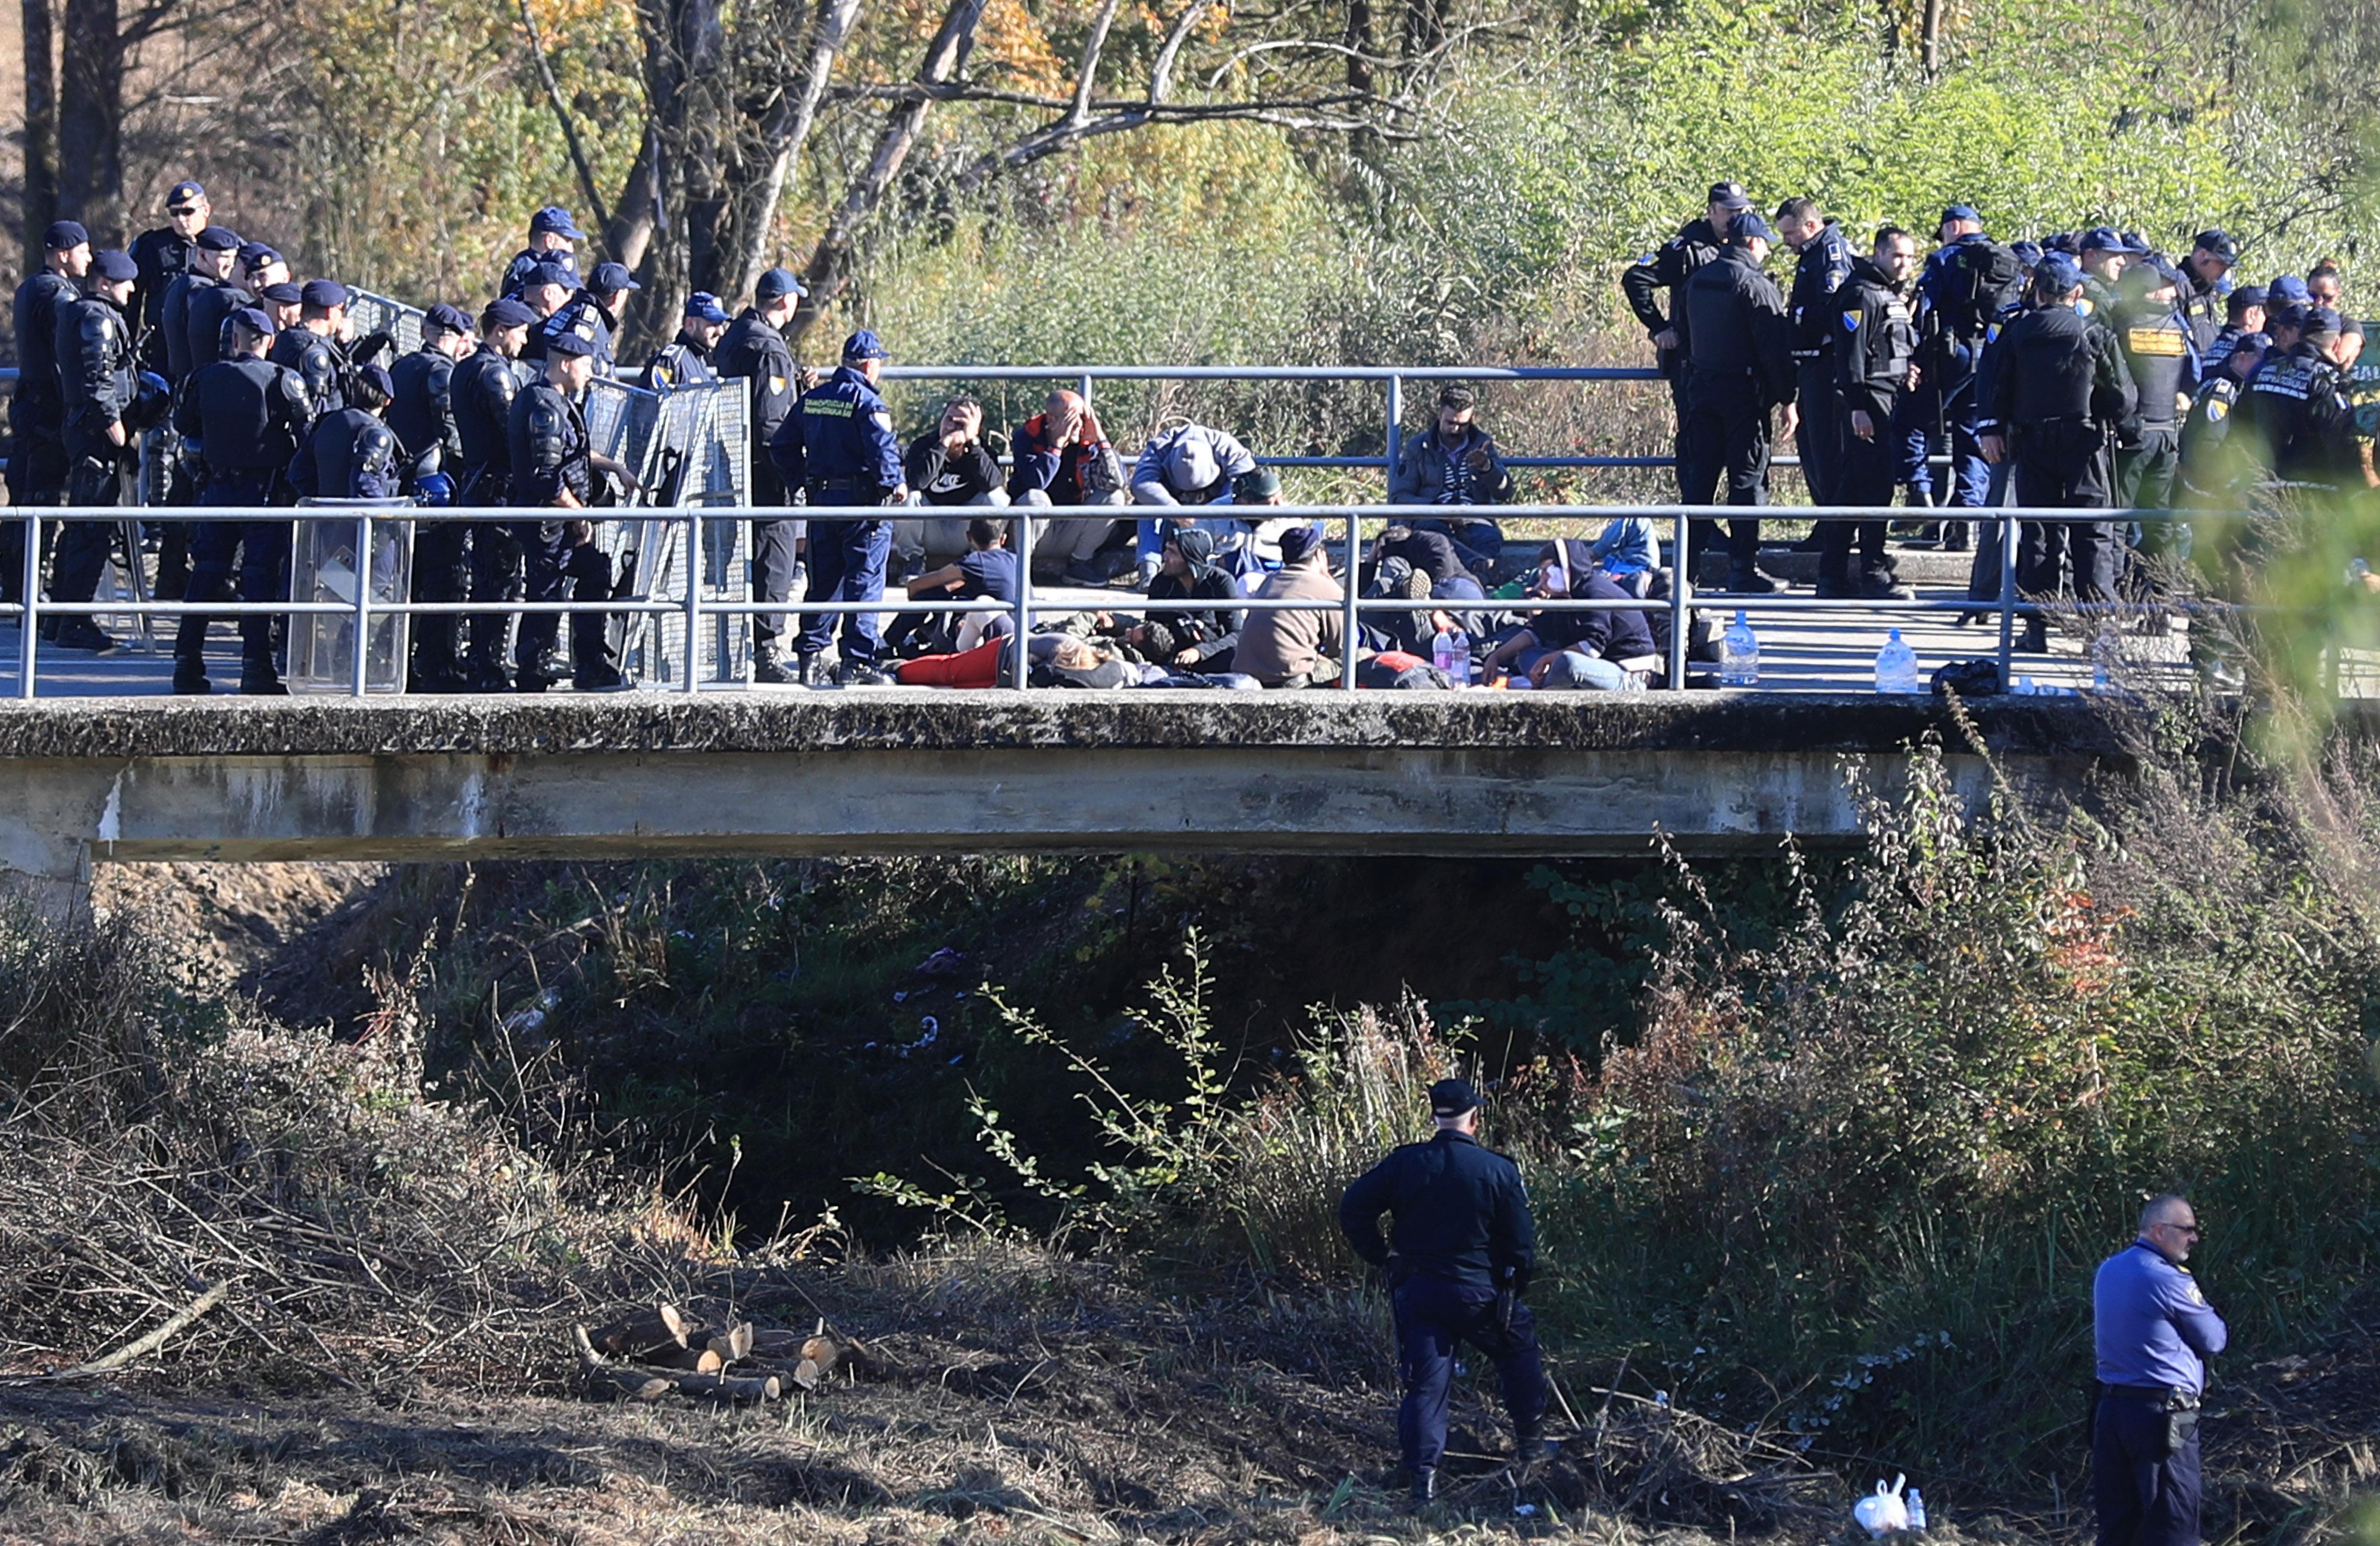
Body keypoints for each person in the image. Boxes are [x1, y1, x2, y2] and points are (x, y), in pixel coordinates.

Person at [1338, 1077, 1548, 1510]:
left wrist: (1383, 1256)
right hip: (1480, 1294)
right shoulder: (1499, 1170)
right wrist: (1514, 1287)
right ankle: (1531, 1446)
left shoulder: (1405, 1163)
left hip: (1420, 1292)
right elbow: (1522, 1244)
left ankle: (1422, 1484)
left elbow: (1353, 1207)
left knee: (1426, 1386)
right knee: (1519, 1350)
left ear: (1435, 1116)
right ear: (1476, 1117)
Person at [1978, 253, 2138, 651]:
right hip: (2084, 444)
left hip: (2032, 443)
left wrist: (1997, 427)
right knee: (2092, 535)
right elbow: (2123, 397)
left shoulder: (2017, 333)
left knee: (2038, 534)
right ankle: (2094, 629)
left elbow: (1998, 387)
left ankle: (2036, 627)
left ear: (2039, 292)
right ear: (2077, 292)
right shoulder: (2094, 332)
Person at [170, 308, 310, 695]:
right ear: (269, 342)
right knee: (258, 577)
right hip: (262, 491)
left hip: (216, 488)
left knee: (206, 572)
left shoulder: (205, 378)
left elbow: (185, 426)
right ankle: (255, 667)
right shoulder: (281, 380)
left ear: (233, 340)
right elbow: (306, 432)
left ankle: (186, 661)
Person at [771, 329, 907, 686]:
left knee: (823, 581)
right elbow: (881, 451)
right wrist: (894, 484)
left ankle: (810, 659)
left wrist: (801, 482)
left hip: (822, 503)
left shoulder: (816, 399)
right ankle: (856, 662)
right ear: (868, 365)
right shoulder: (868, 403)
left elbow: (782, 444)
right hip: (863, 506)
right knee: (865, 579)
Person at [2093, 1195, 2225, 1546]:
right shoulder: (2167, 1279)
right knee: (2173, 1525)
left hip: (2112, 1413)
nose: (2194, 1238)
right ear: (2159, 1230)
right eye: (2187, 1230)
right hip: (2160, 1418)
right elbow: (2214, 1339)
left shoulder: (2109, 1270)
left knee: (2120, 1527)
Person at [507, 317, 630, 692]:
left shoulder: (554, 402)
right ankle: (533, 673)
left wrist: (615, 467)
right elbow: (547, 475)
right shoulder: (544, 406)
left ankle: (588, 660)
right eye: (586, 364)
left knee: (594, 571)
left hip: (558, 522)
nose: (591, 373)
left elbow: (573, 453)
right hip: (549, 524)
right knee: (546, 594)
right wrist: (578, 514)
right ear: (565, 363)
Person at [1679, 211, 1798, 592]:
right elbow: (1774, 351)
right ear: (1753, 243)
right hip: (1744, 398)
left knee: (1699, 484)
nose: (1767, 251)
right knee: (1746, 483)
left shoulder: (1697, 281)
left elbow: (1684, 336)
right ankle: (1743, 569)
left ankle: (1686, 571)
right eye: (1765, 243)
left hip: (1701, 393)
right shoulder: (1755, 286)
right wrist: (1787, 398)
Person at [52, 249, 164, 655]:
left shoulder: (84, 313)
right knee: (92, 526)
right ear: (104, 283)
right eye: (125, 282)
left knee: (86, 522)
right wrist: (115, 427)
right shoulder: (96, 320)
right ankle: (74, 619)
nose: (132, 289)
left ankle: (61, 616)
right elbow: (98, 376)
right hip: (97, 433)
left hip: (89, 429)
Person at [1622, 181, 1753, 498]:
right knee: (1698, 446)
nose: (1736, 219)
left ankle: (1719, 524)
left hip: (1730, 364)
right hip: (1692, 363)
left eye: (1742, 211)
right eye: (1729, 212)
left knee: (1734, 448)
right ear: (1711, 212)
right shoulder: (1687, 247)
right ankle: (1698, 523)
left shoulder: (1742, 244)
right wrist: (1659, 328)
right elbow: (1636, 278)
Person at [1911, 205, 2024, 551]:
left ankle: (1921, 497)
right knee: (1972, 437)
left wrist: (1916, 355)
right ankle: (1966, 521)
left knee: (1912, 423)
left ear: (1955, 226)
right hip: (1989, 355)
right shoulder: (2004, 259)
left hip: (1951, 355)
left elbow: (1925, 307)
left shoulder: (1944, 259)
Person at [717, 267, 809, 679]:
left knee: (740, 560)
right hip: (766, 473)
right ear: (787, 302)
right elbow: (772, 424)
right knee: (775, 555)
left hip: (732, 465)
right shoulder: (769, 348)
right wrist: (794, 477)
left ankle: (741, 645)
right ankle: (767, 649)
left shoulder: (737, 334)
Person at [450, 296, 540, 691]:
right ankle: (489, 667)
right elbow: (513, 435)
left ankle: (482, 661)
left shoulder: (466, 368)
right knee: (501, 579)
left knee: (489, 576)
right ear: (500, 330)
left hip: (478, 481)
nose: (524, 340)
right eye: (520, 331)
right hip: (497, 486)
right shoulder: (494, 375)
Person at [1830, 225, 1924, 600]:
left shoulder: (1886, 295)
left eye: (1909, 257)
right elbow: (1850, 356)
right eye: (1897, 256)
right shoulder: (1861, 294)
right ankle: (1872, 573)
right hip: (1868, 402)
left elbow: (1887, 346)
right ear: (1879, 254)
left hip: (1887, 398)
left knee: (1856, 488)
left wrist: (1906, 369)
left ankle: (1834, 575)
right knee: (1871, 490)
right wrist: (1857, 407)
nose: (1904, 264)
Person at [390, 303, 476, 690]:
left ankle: (398, 662)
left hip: (403, 483)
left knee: (406, 579)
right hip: (434, 487)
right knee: (443, 576)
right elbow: (450, 431)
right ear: (452, 338)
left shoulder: (402, 365)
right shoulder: (441, 372)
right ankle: (436, 663)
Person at [4, 220, 92, 599]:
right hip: (48, 411)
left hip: (28, 405)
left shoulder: (28, 288)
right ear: (63, 254)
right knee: (41, 501)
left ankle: (12, 585)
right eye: (83, 251)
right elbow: (64, 358)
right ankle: (29, 589)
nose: (88, 258)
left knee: (21, 497)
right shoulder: (60, 297)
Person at [1387, 385, 1515, 576]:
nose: (1456, 430)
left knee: (1489, 538)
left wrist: (1487, 468)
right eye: (1450, 423)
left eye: (1463, 425)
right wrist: (1438, 509)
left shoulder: (1482, 444)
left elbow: (1505, 492)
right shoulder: (1419, 447)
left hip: (1474, 516)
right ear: (1439, 415)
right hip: (1432, 516)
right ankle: (1476, 569)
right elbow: (1400, 496)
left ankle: (1475, 584)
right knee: (1437, 540)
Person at [1777, 197, 1853, 507]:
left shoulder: (1830, 254)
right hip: (1810, 361)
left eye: (1790, 234)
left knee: (1826, 449)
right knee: (1811, 446)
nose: (1786, 242)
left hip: (1826, 364)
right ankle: (1826, 520)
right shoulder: (1813, 252)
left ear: (1811, 226)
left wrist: (1795, 316)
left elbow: (1834, 312)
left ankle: (1833, 525)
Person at [1009, 388, 1130, 583]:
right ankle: (1020, 571)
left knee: (1114, 497)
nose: (1080, 424)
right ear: (1052, 419)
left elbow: (1118, 482)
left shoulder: (1086, 439)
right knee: (1035, 497)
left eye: (1082, 417)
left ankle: (1079, 564)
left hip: (1070, 527)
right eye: (1073, 418)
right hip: (1035, 529)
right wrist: (1056, 445)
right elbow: (1036, 482)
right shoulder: (1026, 436)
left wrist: (1100, 439)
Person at [2232, 305, 2357, 489]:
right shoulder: (2327, 382)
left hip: (2258, 487)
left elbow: (2238, 424)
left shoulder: (2262, 372)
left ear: (2301, 335)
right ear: (2337, 343)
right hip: (2311, 491)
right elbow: (2342, 445)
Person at [1130, 421, 1259, 581]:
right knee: (1147, 504)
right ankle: (1149, 569)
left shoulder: (1229, 449)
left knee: (1239, 498)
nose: (1192, 498)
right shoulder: (1161, 447)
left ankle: (1216, 566)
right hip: (1171, 517)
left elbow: (1249, 485)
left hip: (1215, 519)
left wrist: (1211, 513)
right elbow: (1141, 484)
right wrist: (1176, 511)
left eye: (1197, 492)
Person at [897, 396, 1010, 578]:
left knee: (997, 497)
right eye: (949, 420)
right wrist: (943, 446)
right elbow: (918, 482)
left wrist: (973, 443)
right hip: (930, 526)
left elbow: (992, 484)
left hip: (966, 530)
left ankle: (981, 559)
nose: (952, 427)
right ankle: (913, 560)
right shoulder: (923, 445)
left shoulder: (983, 451)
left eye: (961, 423)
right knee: (909, 496)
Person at [888, 516, 1020, 658]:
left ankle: (889, 642)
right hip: (1020, 628)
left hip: (997, 636)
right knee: (955, 592)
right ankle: (919, 638)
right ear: (1003, 539)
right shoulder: (1015, 558)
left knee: (930, 593)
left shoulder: (975, 562)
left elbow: (918, 585)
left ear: (969, 537)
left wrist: (918, 596)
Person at [1230, 525, 1343, 688]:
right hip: (1290, 678)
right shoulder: (1328, 589)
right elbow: (1341, 649)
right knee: (1362, 657)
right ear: (1320, 554)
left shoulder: (1270, 580)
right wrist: (1329, 578)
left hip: (1245, 674)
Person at [1132, 525, 1246, 672]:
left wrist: (1200, 651)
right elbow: (1153, 628)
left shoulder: (1221, 582)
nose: (1165, 557)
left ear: (1191, 560)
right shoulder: (1161, 583)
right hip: (1173, 653)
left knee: (1234, 656)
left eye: (1172, 553)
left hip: (1212, 652)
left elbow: (1237, 634)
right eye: (1166, 550)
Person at [130, 180, 212, 375]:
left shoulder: (221, 248)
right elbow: (133, 301)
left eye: (188, 212)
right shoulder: (152, 246)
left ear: (206, 210)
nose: (181, 219)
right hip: (162, 348)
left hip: (206, 347)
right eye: (175, 213)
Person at [159, 225, 240, 384]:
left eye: (234, 257)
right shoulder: (200, 291)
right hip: (200, 383)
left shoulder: (182, 284)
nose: (231, 264)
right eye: (224, 257)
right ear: (202, 255)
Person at [269, 280, 353, 418]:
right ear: (330, 312)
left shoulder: (287, 337)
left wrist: (345, 345)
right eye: (341, 309)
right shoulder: (315, 353)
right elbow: (315, 410)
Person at [537, 261, 639, 374]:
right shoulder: (588, 321)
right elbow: (579, 364)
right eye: (626, 293)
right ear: (618, 296)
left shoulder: (572, 309)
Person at [643, 291, 729, 390]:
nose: (720, 332)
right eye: (713, 324)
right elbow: (651, 402)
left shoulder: (700, 361)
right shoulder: (671, 361)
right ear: (690, 324)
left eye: (721, 324)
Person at [500, 206, 585, 300]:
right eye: (568, 240)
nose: (571, 248)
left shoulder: (522, 263)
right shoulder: (529, 270)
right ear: (550, 240)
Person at [2177, 231, 2238, 352]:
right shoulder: (2179, 286)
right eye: (2222, 264)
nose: (2224, 272)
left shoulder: (2206, 289)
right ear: (2203, 255)